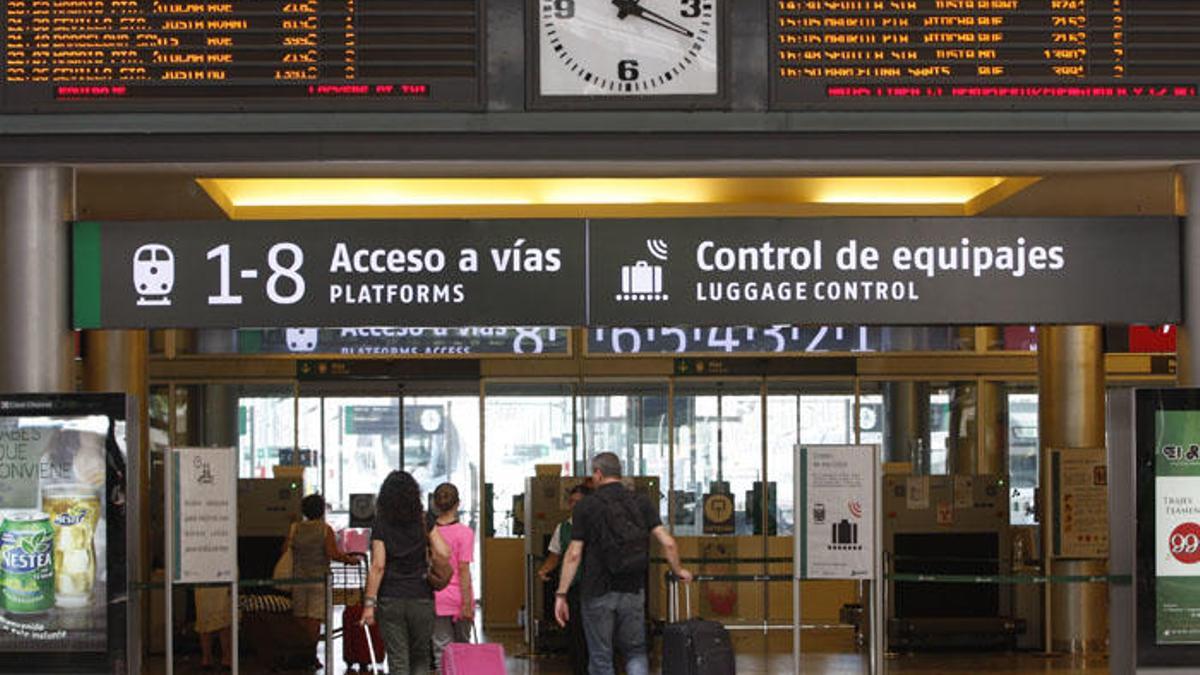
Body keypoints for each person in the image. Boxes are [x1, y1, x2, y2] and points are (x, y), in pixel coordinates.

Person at [555, 452, 692, 675]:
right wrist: (679, 570)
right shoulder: (641, 502)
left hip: (597, 591)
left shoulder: (586, 506)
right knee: (635, 652)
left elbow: (573, 554)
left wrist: (561, 594)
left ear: (598, 474)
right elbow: (668, 542)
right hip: (633, 589)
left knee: (601, 656)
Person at [362, 471, 452, 675]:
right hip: (421, 596)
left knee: (398, 659)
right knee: (420, 657)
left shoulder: (380, 523)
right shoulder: (424, 520)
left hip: (390, 598)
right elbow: (444, 552)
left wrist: (369, 605)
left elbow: (378, 565)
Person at [286, 494, 362, 650]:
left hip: (298, 579)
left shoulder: (295, 528)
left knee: (300, 615)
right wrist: (350, 560)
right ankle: (310, 653)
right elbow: (332, 553)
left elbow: (285, 550)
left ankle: (301, 651)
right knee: (314, 617)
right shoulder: (325, 529)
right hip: (319, 580)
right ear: (321, 510)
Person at [536, 482, 592, 675]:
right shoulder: (564, 528)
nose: (575, 506)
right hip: (574, 588)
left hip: (596, 587)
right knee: (576, 635)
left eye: (580, 502)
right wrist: (544, 570)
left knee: (595, 635)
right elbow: (554, 555)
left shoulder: (598, 524)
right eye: (572, 502)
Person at [430, 483, 475, 670]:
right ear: (458, 504)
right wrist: (466, 603)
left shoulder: (429, 532)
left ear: (435, 504)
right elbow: (463, 569)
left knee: (441, 649)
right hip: (459, 597)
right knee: (463, 648)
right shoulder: (465, 533)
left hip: (436, 596)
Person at [194, 586, 231, 671]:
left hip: (223, 579)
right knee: (204, 618)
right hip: (202, 581)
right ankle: (206, 657)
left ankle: (227, 657)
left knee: (224, 618)